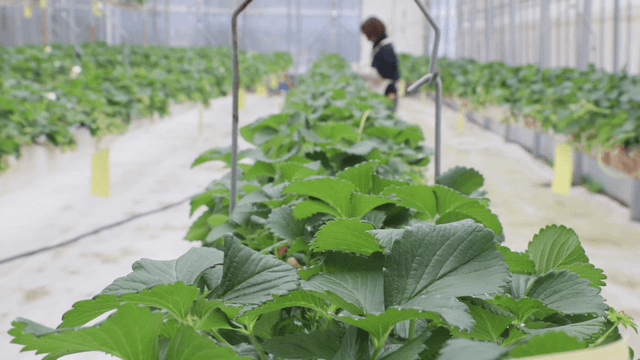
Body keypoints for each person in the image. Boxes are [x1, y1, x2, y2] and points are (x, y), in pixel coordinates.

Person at [360, 17, 400, 112]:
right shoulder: (380, 46)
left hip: (388, 92)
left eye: (368, 35)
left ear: (373, 33)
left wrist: (391, 91)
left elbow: (389, 74)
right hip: (383, 91)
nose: (367, 39)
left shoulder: (385, 49)